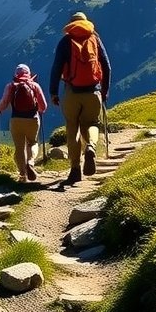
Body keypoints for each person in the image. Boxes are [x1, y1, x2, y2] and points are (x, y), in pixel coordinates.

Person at [49, 11, 111, 185]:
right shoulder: (95, 39)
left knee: (72, 129)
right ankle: (91, 146)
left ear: (71, 24)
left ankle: (75, 169)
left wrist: (53, 92)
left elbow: (56, 68)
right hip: (93, 92)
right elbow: (106, 67)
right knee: (91, 124)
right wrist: (104, 91)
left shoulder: (66, 41)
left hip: (72, 93)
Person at [0, 64, 48, 182]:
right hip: (32, 120)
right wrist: (40, 110)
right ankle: (30, 162)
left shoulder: (11, 86)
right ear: (28, 73)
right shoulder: (34, 86)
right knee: (32, 143)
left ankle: (23, 175)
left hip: (16, 120)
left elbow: (3, 103)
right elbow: (43, 106)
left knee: (19, 148)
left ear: (16, 74)